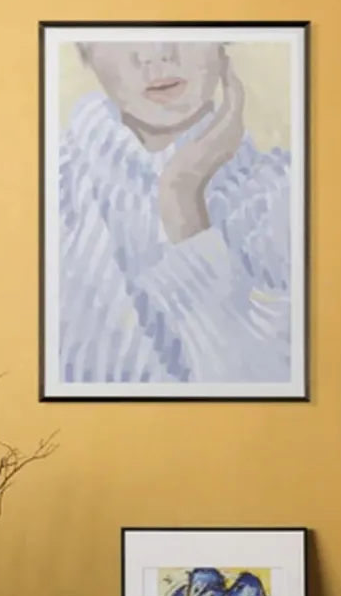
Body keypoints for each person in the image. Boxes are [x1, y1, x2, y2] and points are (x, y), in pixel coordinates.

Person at [59, 40, 292, 386]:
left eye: (186, 27)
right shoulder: (51, 189)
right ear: (85, 49)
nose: (155, 53)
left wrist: (183, 199)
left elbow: (270, 390)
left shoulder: (287, 195)